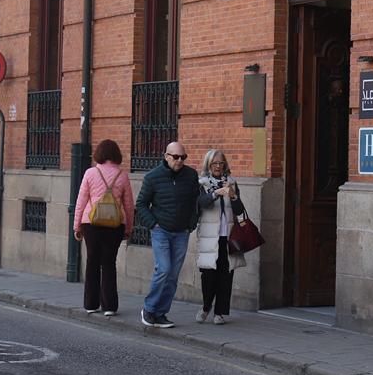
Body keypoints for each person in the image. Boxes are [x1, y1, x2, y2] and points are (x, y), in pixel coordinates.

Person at [133, 140, 200, 329]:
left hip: (182, 232)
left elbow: (196, 202)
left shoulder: (191, 175)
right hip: (161, 230)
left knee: (173, 274)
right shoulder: (153, 177)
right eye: (176, 157)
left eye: (183, 157)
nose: (179, 161)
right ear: (166, 156)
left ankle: (161, 313)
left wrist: (191, 224)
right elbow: (141, 204)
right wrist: (153, 224)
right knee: (163, 268)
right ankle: (149, 308)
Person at [73, 138, 136, 318]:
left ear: (99, 154)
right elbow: (129, 205)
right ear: (116, 154)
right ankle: (109, 306)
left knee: (92, 262)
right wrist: (128, 228)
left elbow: (81, 201)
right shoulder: (122, 175)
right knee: (109, 263)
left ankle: (91, 304)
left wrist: (76, 226)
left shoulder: (90, 173)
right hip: (115, 224)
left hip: (91, 222)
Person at [194, 148, 247, 324]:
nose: (218, 166)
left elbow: (240, 211)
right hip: (210, 237)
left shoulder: (231, 182)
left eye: (221, 163)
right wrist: (215, 193)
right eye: (214, 163)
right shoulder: (202, 183)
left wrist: (233, 196)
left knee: (226, 275)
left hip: (229, 236)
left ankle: (220, 312)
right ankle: (206, 306)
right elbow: (200, 203)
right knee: (208, 275)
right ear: (208, 165)